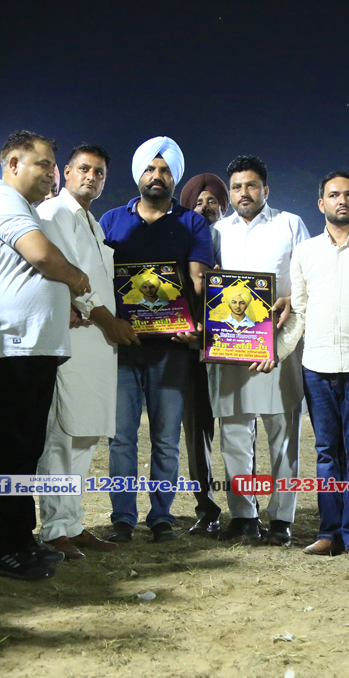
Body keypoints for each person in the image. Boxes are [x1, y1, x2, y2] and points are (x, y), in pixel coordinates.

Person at [0, 130, 90, 579]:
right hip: (10, 349)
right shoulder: (2, 200)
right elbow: (40, 256)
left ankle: (20, 539)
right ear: (13, 164)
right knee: (12, 452)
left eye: (53, 166)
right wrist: (76, 279)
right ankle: (7, 550)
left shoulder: (21, 206)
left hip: (32, 348)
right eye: (43, 164)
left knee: (26, 451)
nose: (51, 174)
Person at [99, 136, 214, 543]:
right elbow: (99, 277)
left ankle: (161, 516)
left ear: (174, 177)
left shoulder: (192, 223)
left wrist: (200, 323)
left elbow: (199, 280)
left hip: (172, 347)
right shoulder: (111, 221)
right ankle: (122, 517)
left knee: (166, 439)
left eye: (165, 170)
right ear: (138, 174)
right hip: (123, 346)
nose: (157, 175)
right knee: (121, 438)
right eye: (150, 168)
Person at [278, 171, 349, 560]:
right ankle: (329, 532)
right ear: (321, 203)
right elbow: (300, 312)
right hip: (317, 366)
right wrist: (274, 351)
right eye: (333, 195)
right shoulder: (305, 252)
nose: (341, 200)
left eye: (348, 194)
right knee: (327, 452)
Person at [35, 143, 134, 558]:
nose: (91, 177)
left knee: (86, 434)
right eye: (84, 169)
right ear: (67, 172)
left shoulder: (92, 222)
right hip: (74, 338)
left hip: (98, 343)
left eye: (99, 172)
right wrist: (106, 319)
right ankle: (54, 528)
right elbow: (64, 273)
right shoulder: (54, 213)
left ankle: (72, 524)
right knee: (63, 435)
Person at [210, 155, 309, 545]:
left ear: (265, 189)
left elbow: (306, 281)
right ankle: (244, 515)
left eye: (251, 185)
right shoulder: (217, 231)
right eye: (236, 187)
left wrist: (289, 300)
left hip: (278, 342)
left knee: (282, 432)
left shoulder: (290, 225)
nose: (244, 193)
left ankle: (282, 518)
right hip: (230, 343)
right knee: (234, 430)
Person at [177, 170, 229, 535]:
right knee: (197, 432)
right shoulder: (179, 240)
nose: (204, 207)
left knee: (240, 431)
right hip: (190, 347)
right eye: (197, 202)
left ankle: (246, 509)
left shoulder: (233, 240)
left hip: (233, 347)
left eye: (212, 201)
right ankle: (206, 509)